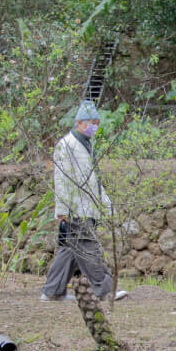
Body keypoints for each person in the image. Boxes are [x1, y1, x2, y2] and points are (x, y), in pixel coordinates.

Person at [41, 100, 127, 303]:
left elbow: (93, 180)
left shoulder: (86, 144)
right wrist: (62, 210)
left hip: (86, 206)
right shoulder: (66, 145)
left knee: (70, 251)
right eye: (90, 122)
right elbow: (60, 180)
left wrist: (106, 205)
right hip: (75, 208)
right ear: (79, 122)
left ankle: (52, 291)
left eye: (96, 122)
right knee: (89, 248)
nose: (94, 126)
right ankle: (105, 290)